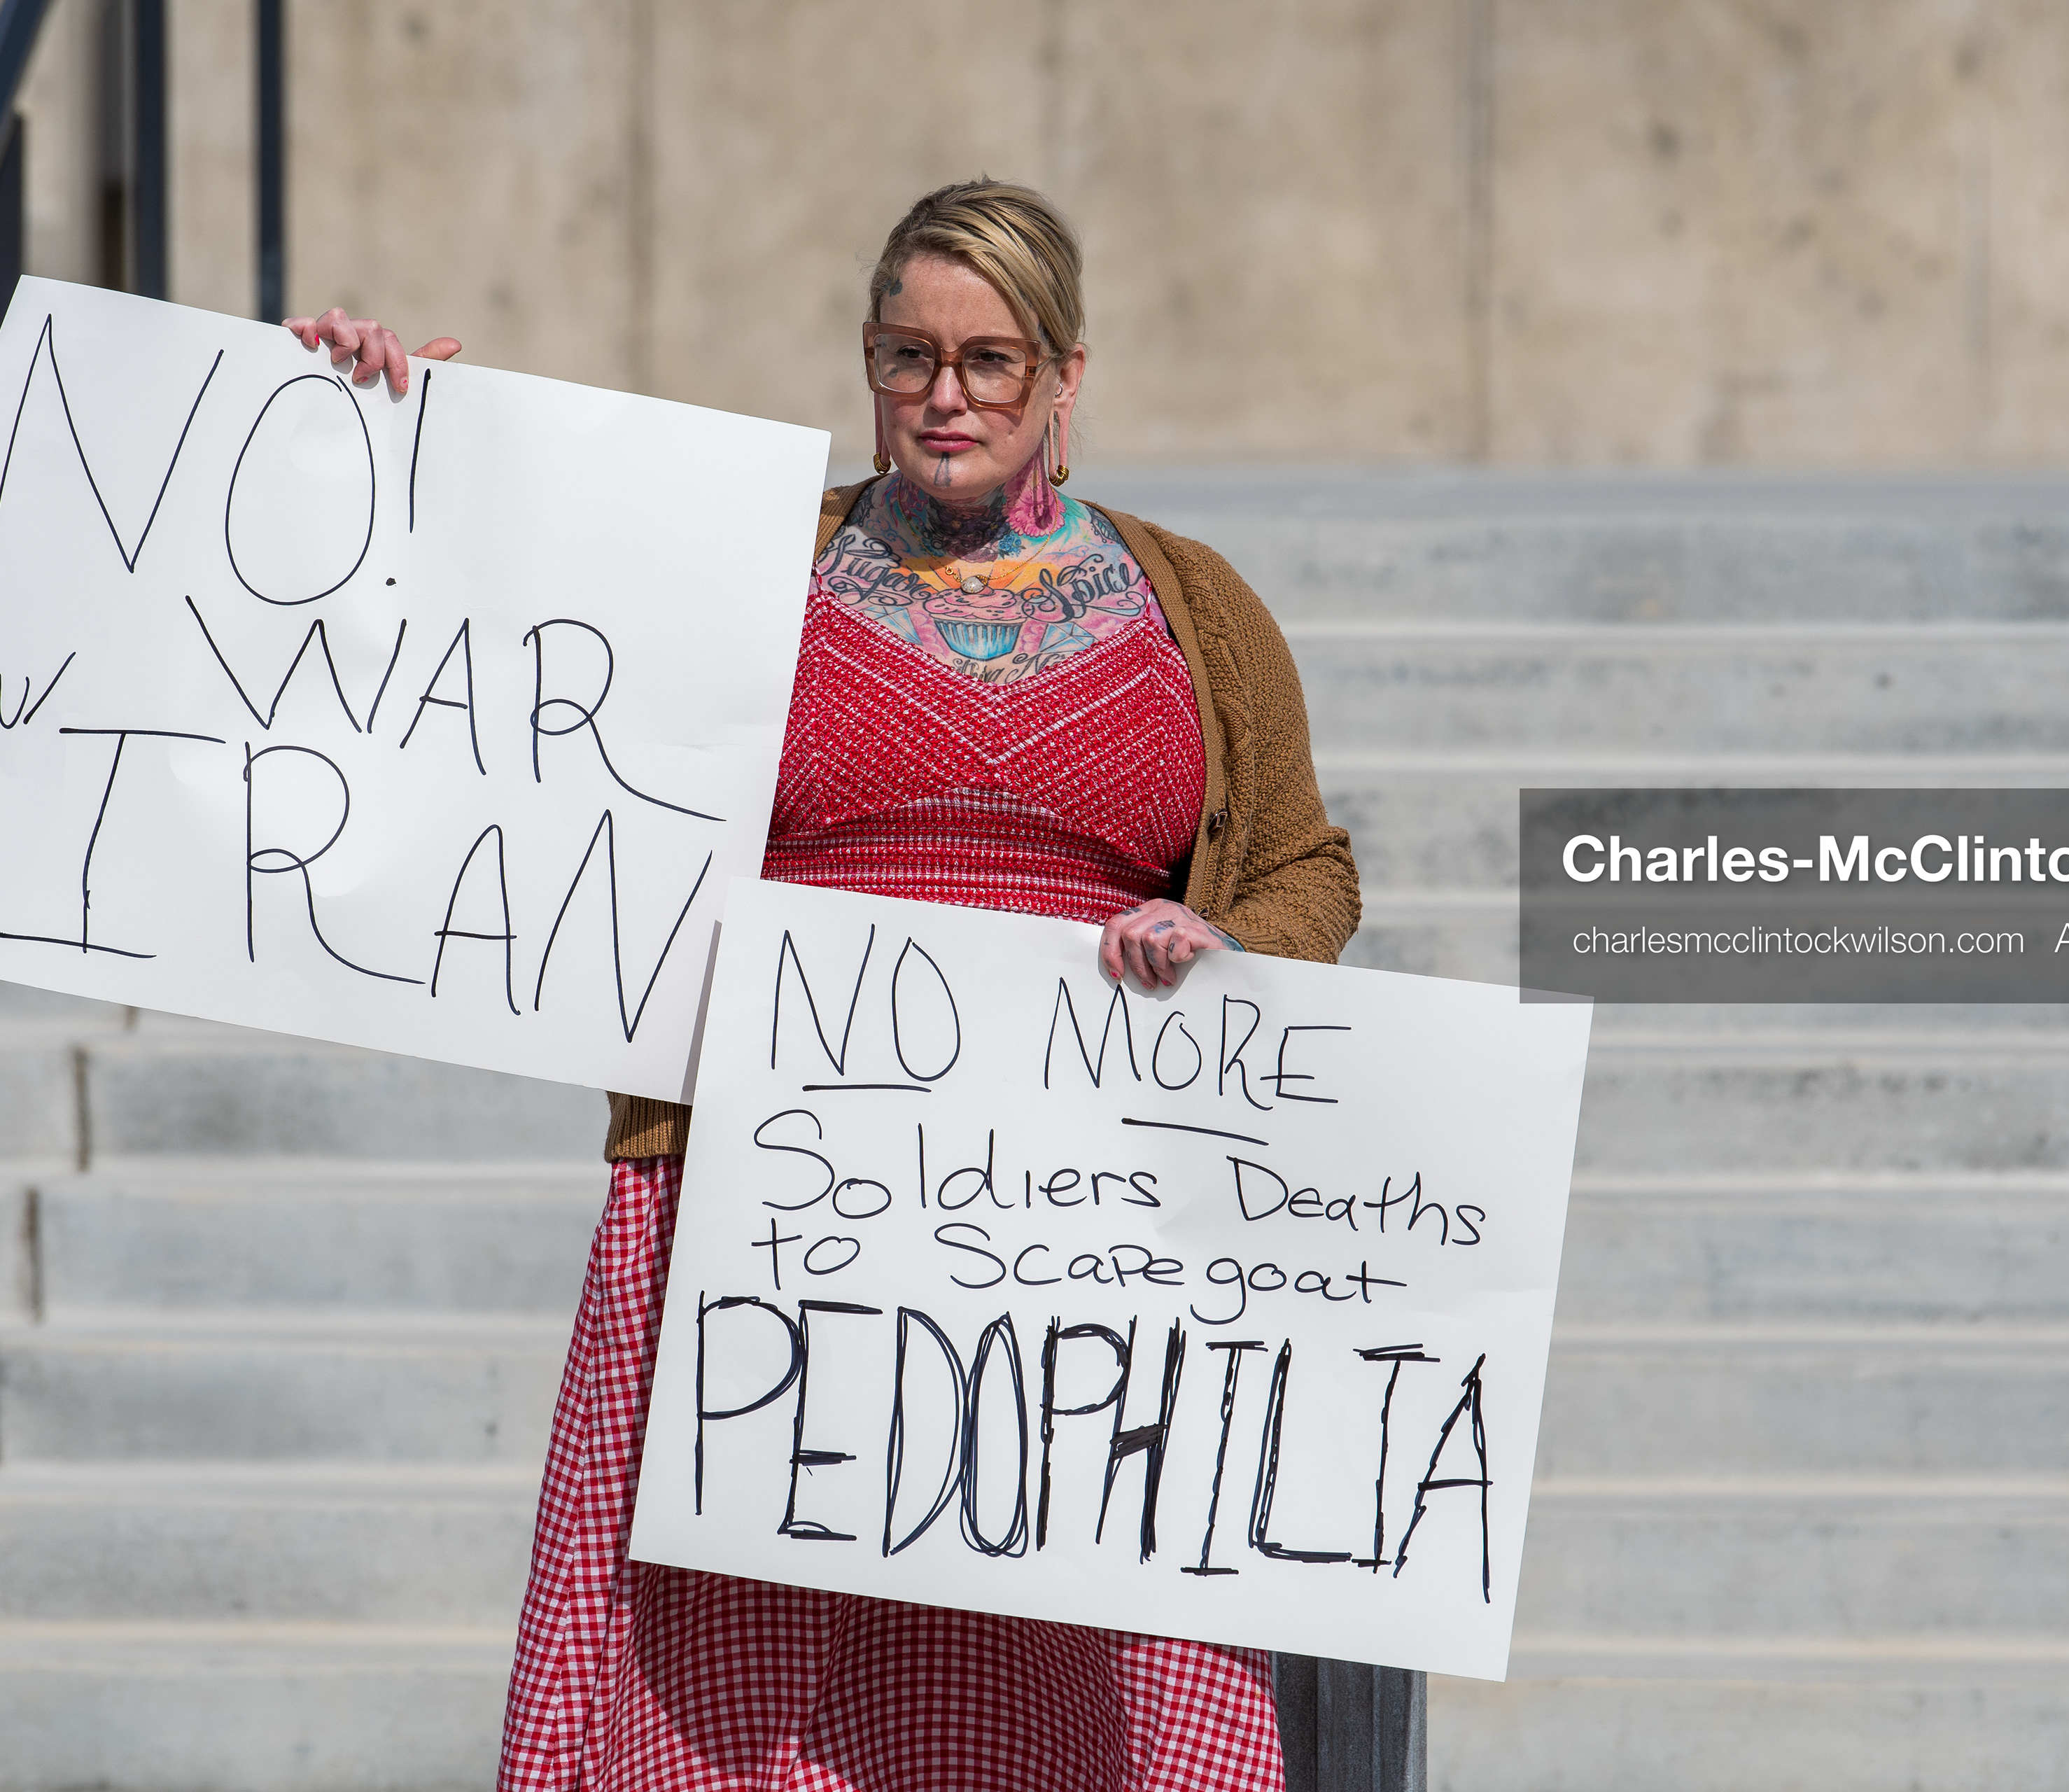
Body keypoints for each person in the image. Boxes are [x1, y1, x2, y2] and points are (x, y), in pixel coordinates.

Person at [288, 178, 1359, 1792]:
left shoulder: (1194, 605)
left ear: (1070, 376)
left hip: (1077, 1227)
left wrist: (1225, 953)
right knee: (732, 1692)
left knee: (1068, 1688)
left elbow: (1307, 867)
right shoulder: (742, 564)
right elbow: (485, 665)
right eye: (907, 353)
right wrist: (378, 430)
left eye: (992, 359)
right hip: (770, 1210)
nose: (945, 395)